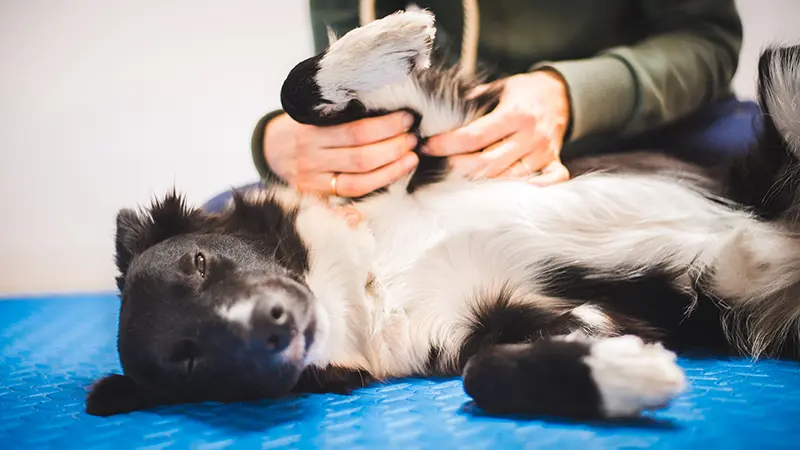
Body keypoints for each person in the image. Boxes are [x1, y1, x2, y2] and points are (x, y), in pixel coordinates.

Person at [247, 0, 746, 200]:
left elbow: (707, 38)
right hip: (440, 175)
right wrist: (278, 143)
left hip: (651, 132)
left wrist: (570, 95)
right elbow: (347, 67)